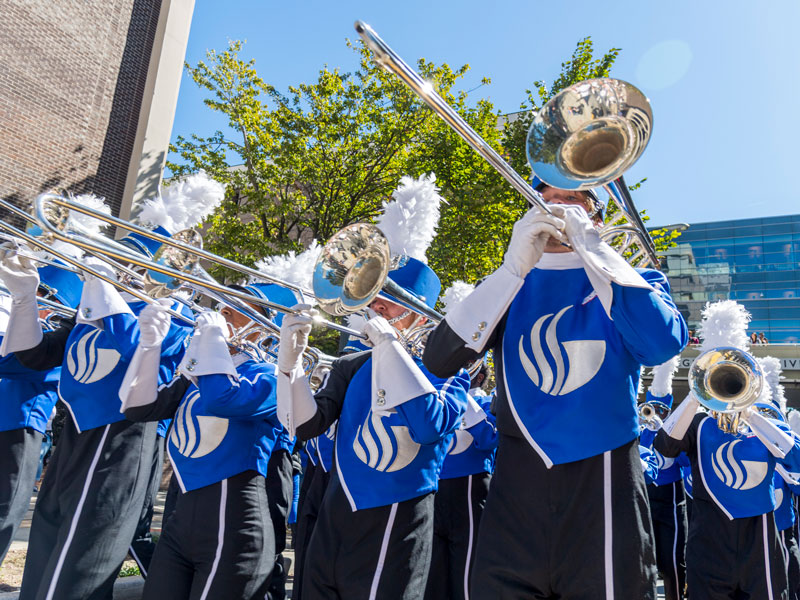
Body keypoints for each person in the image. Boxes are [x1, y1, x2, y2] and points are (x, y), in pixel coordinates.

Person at [423, 178, 687, 598]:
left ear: (596, 217)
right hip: (516, 481)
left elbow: (659, 344)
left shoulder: (636, 278)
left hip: (605, 479)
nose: (556, 212)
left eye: (571, 202)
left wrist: (596, 250)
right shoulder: (510, 285)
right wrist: (511, 269)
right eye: (543, 202)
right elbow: (439, 358)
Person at [0, 249, 192, 600]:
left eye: (133, 263)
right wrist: (25, 296)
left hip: (121, 444)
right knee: (42, 561)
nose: (126, 270)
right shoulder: (93, 311)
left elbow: (139, 351)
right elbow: (32, 357)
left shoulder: (174, 310)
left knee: (77, 576)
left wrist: (104, 289)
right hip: (74, 438)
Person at [277, 257, 470, 599]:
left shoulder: (447, 369)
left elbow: (429, 426)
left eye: (391, 298)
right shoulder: (352, 364)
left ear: (421, 314)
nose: (376, 305)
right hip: (334, 515)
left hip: (398, 521)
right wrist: (290, 366)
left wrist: (389, 347)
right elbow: (305, 425)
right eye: (375, 295)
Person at [120, 302, 283, 600]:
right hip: (180, 523)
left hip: (235, 527)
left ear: (261, 328)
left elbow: (222, 401)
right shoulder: (196, 377)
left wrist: (213, 343)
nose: (224, 313)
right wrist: (149, 346)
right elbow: (136, 407)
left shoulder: (270, 375)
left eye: (236, 309)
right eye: (222, 307)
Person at [655, 303, 799, 599]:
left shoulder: (766, 422)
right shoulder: (697, 425)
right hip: (707, 545)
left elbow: (796, 464)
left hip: (759, 545)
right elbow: (664, 446)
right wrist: (696, 394)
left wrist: (752, 414)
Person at [0, 263, 81, 565]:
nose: (37, 301)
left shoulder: (59, 341)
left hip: (20, 426)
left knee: (4, 508)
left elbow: (13, 362)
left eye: (45, 296)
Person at [424, 365, 498, 600]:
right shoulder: (435, 397)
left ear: (478, 376)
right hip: (432, 491)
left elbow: (489, 437)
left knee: (466, 577)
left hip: (469, 490)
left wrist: (453, 385)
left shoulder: (487, 402)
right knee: (432, 579)